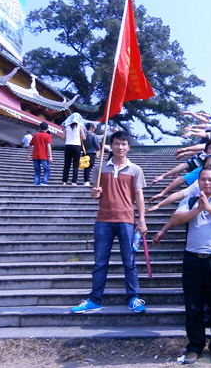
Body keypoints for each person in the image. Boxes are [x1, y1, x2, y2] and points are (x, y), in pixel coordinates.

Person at [71, 131, 148, 314]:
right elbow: (95, 193)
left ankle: (133, 298)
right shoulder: (100, 168)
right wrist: (94, 193)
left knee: (129, 262)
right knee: (100, 262)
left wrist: (142, 221)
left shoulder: (135, 169)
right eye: (116, 144)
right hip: (103, 219)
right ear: (110, 146)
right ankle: (94, 299)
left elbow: (139, 196)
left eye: (123, 144)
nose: (120, 147)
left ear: (128, 147)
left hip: (126, 220)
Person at [168, 167, 211, 365]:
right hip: (193, 258)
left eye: (210, 180)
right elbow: (175, 219)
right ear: (198, 182)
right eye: (203, 179)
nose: (206, 183)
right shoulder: (189, 200)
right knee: (193, 304)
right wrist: (198, 208)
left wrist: (209, 208)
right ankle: (195, 346)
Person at [61, 113, 86, 185]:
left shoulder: (66, 127)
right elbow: (84, 137)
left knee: (67, 164)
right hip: (76, 146)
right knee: (75, 165)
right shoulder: (79, 127)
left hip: (68, 145)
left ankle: (64, 181)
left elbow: (63, 137)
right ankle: (74, 181)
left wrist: (68, 138)